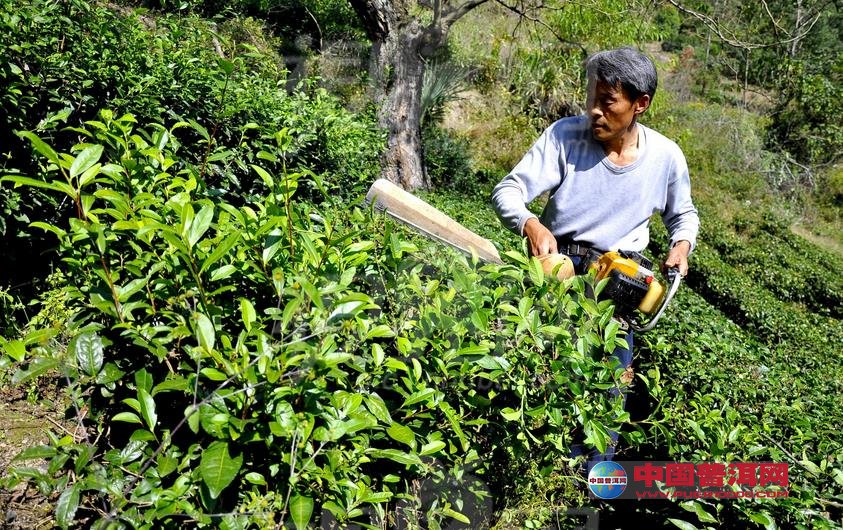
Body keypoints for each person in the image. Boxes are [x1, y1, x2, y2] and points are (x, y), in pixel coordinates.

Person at [490, 47, 700, 461]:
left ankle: (580, 495)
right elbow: (508, 190)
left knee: (608, 395)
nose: (594, 112)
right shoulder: (565, 136)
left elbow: (684, 214)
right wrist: (530, 223)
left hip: (620, 280)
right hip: (560, 269)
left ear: (640, 104)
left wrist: (681, 246)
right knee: (539, 378)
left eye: (608, 103)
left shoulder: (666, 157)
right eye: (592, 98)